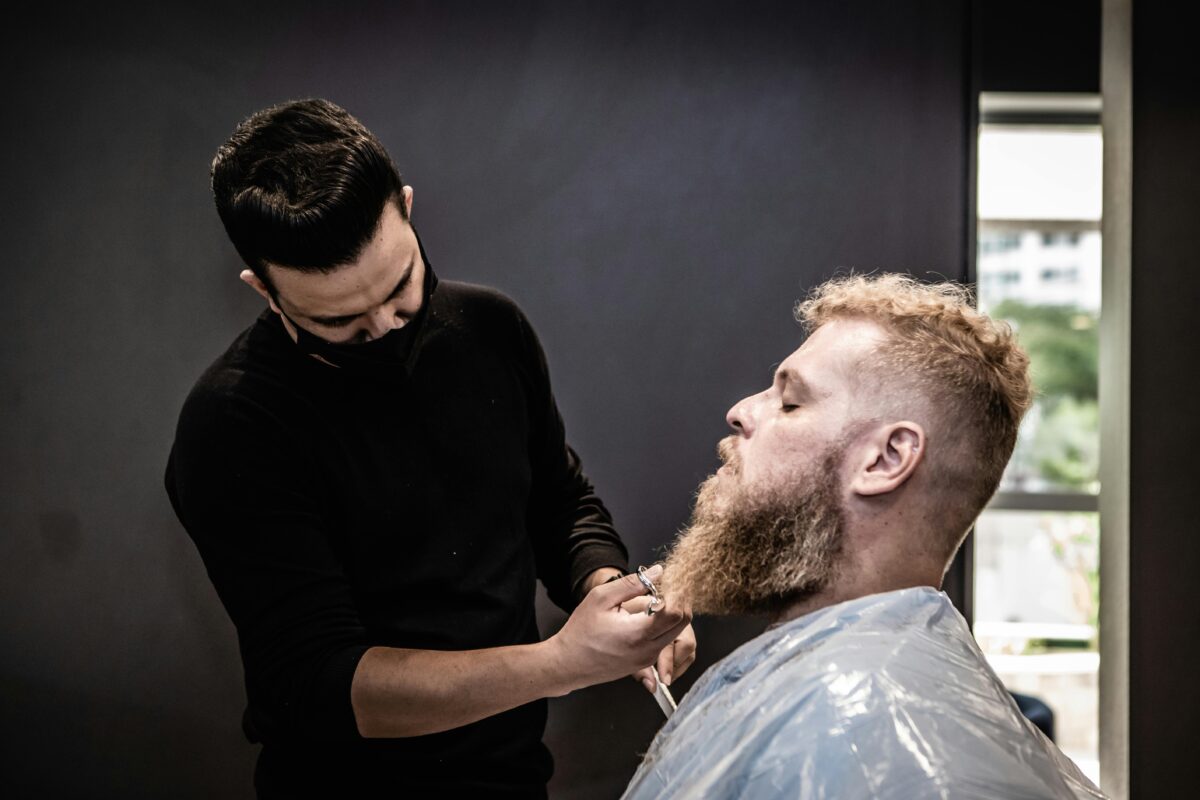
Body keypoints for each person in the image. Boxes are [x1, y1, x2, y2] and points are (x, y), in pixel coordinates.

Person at [164, 98, 695, 798]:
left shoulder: (491, 330)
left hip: (514, 777)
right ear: (264, 290)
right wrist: (565, 662)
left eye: (402, 289)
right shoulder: (233, 426)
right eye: (341, 323)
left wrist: (612, 595)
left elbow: (558, 502)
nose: (385, 328)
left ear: (406, 209)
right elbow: (326, 683)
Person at [623, 274, 1105, 800]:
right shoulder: (862, 697)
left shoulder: (862, 738)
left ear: (886, 459)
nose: (740, 411)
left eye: (790, 402)